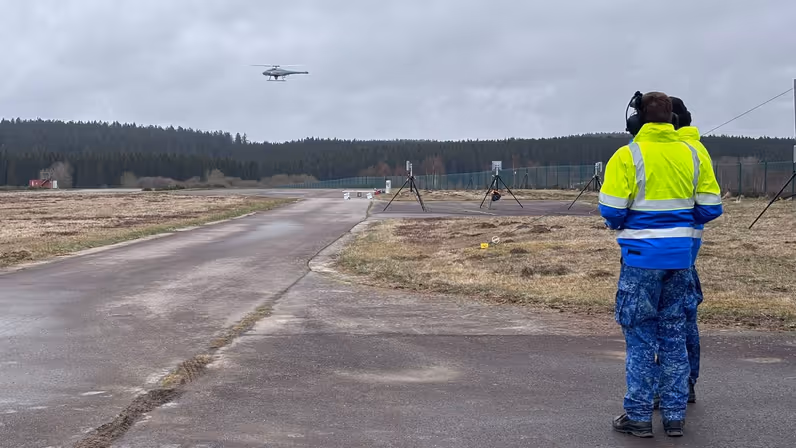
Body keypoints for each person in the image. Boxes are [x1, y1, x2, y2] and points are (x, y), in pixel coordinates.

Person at [599, 91, 723, 438]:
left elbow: (611, 211)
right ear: (672, 120)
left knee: (640, 338)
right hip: (681, 260)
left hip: (640, 262)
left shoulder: (627, 155)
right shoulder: (692, 153)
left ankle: (638, 415)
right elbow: (711, 207)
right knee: (673, 335)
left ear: (637, 121)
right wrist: (680, 224)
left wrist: (633, 222)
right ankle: (674, 417)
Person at [651, 97, 713, 408]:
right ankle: (684, 384)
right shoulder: (696, 150)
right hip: (686, 251)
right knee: (683, 321)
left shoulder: (680, 152)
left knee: (669, 322)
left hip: (667, 253)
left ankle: (670, 386)